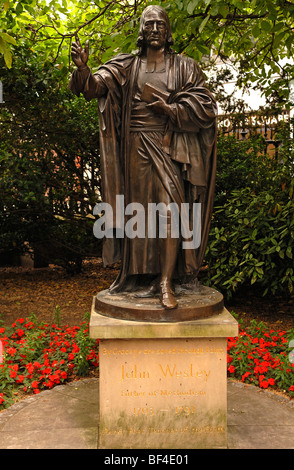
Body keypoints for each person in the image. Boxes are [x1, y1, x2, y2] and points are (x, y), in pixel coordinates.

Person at [69, 5, 217, 310]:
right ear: (141, 30)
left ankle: (166, 282)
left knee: (170, 211)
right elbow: (93, 88)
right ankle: (142, 277)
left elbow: (205, 106)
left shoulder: (185, 67)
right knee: (140, 216)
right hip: (136, 146)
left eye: (160, 25)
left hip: (169, 145)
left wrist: (171, 110)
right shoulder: (126, 66)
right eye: (149, 24)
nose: (154, 30)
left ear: (168, 31)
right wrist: (84, 68)